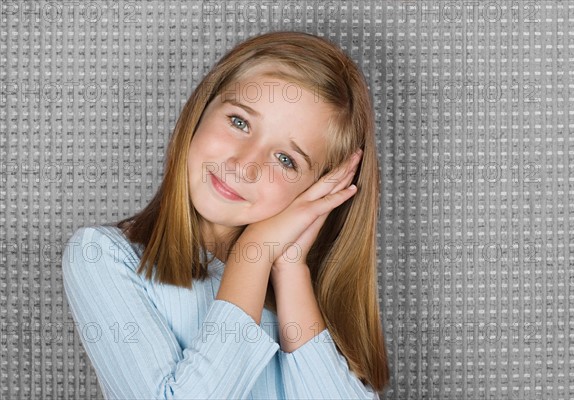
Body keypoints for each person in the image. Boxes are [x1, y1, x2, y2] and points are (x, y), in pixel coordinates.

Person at [62, 30, 389, 399]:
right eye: (239, 122)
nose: (244, 165)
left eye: (286, 160)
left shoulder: (304, 294)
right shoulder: (104, 255)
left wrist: (289, 268)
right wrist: (254, 253)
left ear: (319, 192)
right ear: (200, 110)